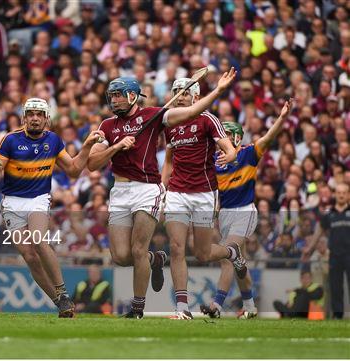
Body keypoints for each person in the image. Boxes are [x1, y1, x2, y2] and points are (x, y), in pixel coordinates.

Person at [88, 68, 237, 319]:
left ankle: (138, 308)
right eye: (111, 96)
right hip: (120, 191)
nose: (113, 101)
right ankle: (155, 259)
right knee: (121, 256)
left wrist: (218, 91)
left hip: (148, 189)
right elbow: (92, 163)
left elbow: (191, 112)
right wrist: (116, 146)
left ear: (133, 96)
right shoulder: (107, 125)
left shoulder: (154, 116)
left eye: (119, 96)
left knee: (144, 250)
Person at [0, 97, 102, 318]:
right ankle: (59, 302)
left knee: (39, 241)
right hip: (11, 202)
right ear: (24, 117)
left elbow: (74, 170)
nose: (35, 118)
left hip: (38, 198)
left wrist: (86, 146)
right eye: (31, 114)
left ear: (47, 119)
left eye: (39, 115)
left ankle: (62, 291)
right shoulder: (10, 140)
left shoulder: (54, 141)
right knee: (29, 256)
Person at [201, 99, 294, 319]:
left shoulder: (248, 153)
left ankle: (216, 306)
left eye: (226, 134)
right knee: (237, 262)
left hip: (244, 211)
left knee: (226, 256)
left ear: (237, 137)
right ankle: (250, 307)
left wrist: (281, 118)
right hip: (224, 215)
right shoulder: (212, 160)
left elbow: (268, 137)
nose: (221, 139)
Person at [160, 75, 240, 319]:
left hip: (204, 193)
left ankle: (231, 253)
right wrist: (163, 188)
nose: (181, 96)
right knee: (176, 248)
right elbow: (169, 161)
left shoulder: (208, 120)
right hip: (176, 192)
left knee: (202, 254)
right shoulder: (170, 123)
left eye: (186, 92)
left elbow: (229, 149)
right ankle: (182, 308)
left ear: (195, 96)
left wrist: (230, 155)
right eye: (177, 92)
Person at [303, 183, 350, 319]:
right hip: (334, 255)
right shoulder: (329, 214)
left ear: (348, 195)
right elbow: (318, 232)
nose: (341, 195)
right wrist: (310, 249)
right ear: (335, 195)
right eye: (339, 192)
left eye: (344, 192)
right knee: (335, 286)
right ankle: (337, 315)